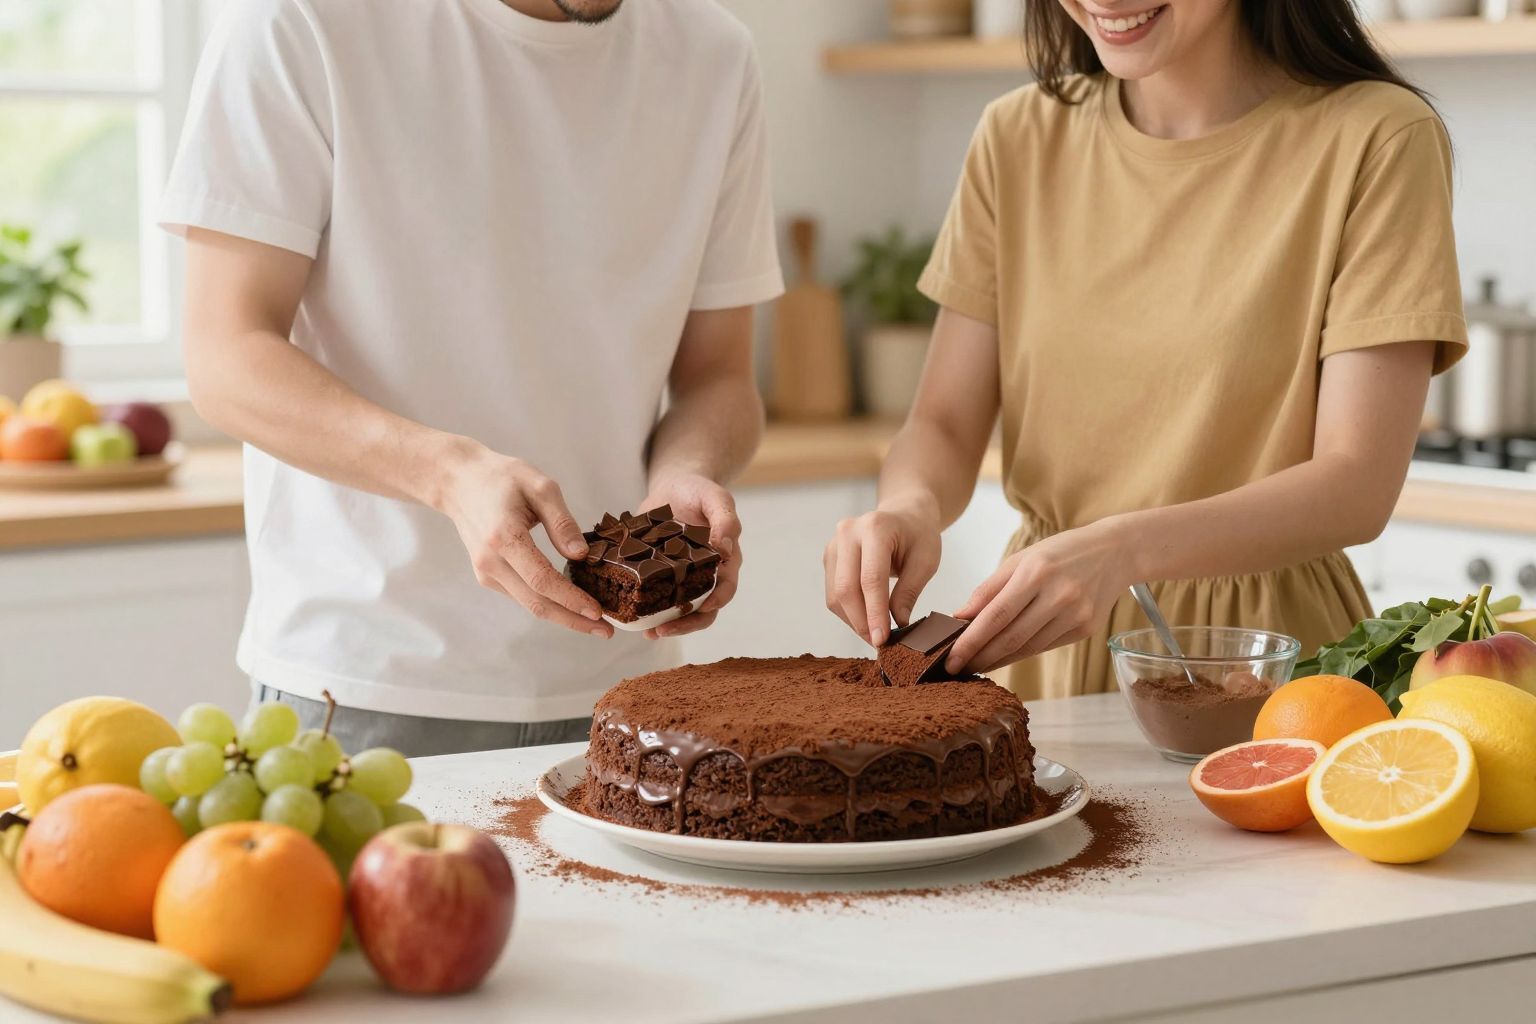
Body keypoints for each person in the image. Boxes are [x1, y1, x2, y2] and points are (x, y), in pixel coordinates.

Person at [162, 0, 782, 754]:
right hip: (361, 688)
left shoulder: (713, 54)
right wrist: (448, 473)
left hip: (620, 690)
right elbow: (225, 355)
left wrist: (687, 472)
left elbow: (719, 376)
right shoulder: (299, 19)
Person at [824, 0, 1467, 700]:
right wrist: (909, 506)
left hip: (1262, 665)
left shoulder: (1379, 136)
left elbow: (1357, 483)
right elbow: (943, 422)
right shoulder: (1017, 136)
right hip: (1046, 653)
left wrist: (1121, 552)